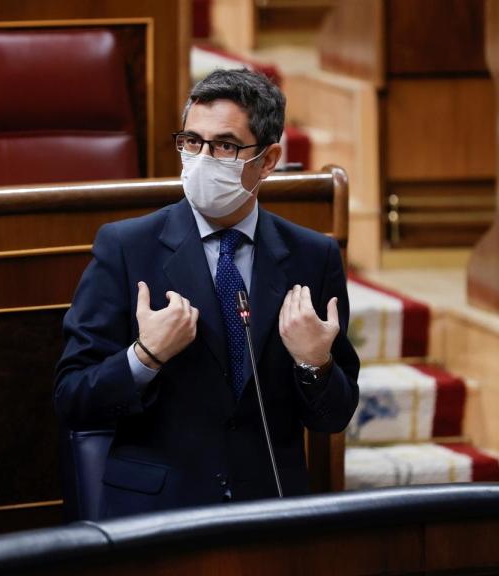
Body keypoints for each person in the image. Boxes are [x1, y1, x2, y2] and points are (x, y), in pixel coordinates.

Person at [54, 68, 360, 519]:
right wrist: (145, 356)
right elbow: (72, 398)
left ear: (269, 159)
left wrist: (315, 363)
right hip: (156, 515)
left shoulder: (312, 257)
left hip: (270, 509)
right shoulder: (126, 247)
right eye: (191, 141)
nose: (202, 157)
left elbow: (333, 417)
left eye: (225, 146)